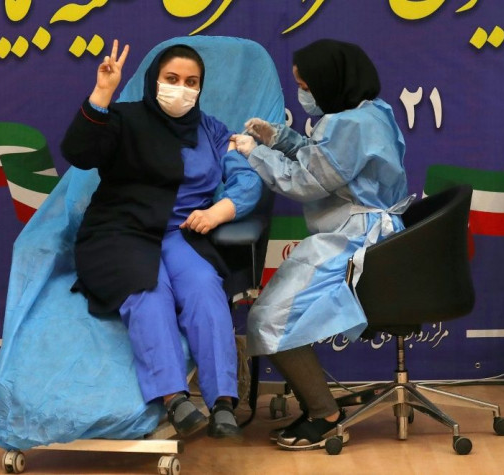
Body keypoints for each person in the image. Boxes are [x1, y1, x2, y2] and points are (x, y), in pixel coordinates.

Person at [60, 39, 263, 439]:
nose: (182, 88)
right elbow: (78, 151)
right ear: (155, 80)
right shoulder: (123, 118)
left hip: (179, 233)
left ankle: (222, 400)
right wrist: (103, 92)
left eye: (192, 81)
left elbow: (246, 179)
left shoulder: (211, 130)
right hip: (119, 230)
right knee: (149, 290)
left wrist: (220, 210)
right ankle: (174, 398)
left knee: (205, 288)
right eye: (172, 79)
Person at [232, 38, 413, 450]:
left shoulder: (348, 124)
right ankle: (318, 404)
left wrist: (255, 153)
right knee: (274, 316)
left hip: (353, 240)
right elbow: (329, 161)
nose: (304, 93)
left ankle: (324, 414)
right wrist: (280, 139)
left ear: (329, 81)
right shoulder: (369, 113)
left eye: (306, 85)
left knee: (267, 319)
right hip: (363, 231)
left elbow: (307, 180)